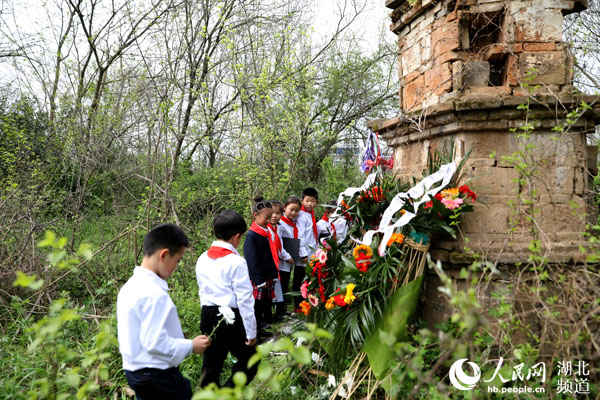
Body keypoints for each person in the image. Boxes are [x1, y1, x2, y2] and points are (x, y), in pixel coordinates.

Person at [117, 223, 211, 400]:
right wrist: (191, 346)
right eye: (177, 260)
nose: (176, 267)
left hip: (134, 372)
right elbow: (155, 342)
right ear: (164, 255)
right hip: (156, 375)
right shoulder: (154, 294)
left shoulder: (129, 286)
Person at [195, 210, 258, 388]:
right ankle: (228, 394)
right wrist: (251, 333)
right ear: (237, 237)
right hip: (230, 317)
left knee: (211, 365)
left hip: (208, 314)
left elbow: (202, 291)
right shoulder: (237, 262)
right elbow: (245, 300)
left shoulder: (202, 258)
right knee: (251, 360)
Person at [243, 197, 279, 339]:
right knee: (256, 306)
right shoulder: (252, 235)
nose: (269, 220)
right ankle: (254, 332)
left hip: (267, 275)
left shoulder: (267, 232)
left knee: (264, 304)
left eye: (270, 217)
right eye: (266, 217)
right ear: (255, 215)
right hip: (259, 278)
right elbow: (252, 260)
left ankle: (260, 327)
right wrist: (258, 280)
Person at [278, 195, 305, 310]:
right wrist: (286, 256)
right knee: (281, 285)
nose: (294, 213)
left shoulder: (294, 223)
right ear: (285, 207)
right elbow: (278, 243)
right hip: (282, 260)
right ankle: (279, 311)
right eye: (291, 209)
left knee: (285, 283)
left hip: (290, 260)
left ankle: (283, 309)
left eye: (297, 211)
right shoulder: (280, 223)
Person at [268, 200, 294, 320]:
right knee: (270, 290)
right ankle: (269, 315)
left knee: (280, 287)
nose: (274, 216)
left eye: (278, 213)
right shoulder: (266, 229)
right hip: (270, 263)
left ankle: (280, 311)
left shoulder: (278, 228)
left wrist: (287, 256)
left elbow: (280, 245)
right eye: (272, 213)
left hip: (279, 261)